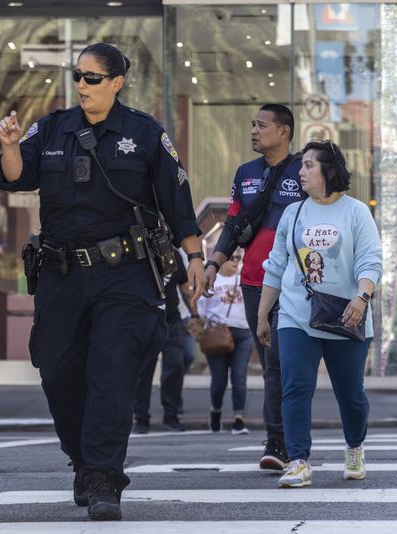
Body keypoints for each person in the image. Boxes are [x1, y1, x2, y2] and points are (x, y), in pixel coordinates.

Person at [0, 43, 205, 521]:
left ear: (116, 82)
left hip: (124, 275)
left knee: (110, 375)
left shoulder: (144, 133)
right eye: (78, 76)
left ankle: (106, 478)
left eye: (92, 78)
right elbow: (16, 176)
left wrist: (194, 257)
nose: (82, 86)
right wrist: (8, 146)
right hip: (61, 273)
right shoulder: (50, 128)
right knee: (58, 373)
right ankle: (85, 463)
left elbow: (177, 201)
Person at [257, 141, 381, 488]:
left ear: (329, 170)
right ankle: (298, 460)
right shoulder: (293, 213)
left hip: (347, 315)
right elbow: (276, 265)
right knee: (295, 387)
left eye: (309, 165)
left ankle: (354, 446)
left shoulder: (355, 212)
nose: (301, 172)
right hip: (297, 314)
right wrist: (264, 314)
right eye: (302, 166)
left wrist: (361, 297)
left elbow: (371, 259)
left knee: (351, 395)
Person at [203, 104, 302, 470]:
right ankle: (280, 442)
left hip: (294, 286)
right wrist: (214, 263)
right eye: (252, 125)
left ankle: (286, 440)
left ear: (284, 131)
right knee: (271, 365)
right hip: (253, 284)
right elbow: (231, 225)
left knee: (284, 364)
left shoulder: (303, 169)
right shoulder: (245, 173)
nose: (254, 130)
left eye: (262, 125)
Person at [134, 250, 193, 433]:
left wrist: (195, 314)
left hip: (173, 320)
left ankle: (171, 415)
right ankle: (141, 419)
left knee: (175, 365)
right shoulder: (140, 253)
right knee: (144, 372)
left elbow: (184, 287)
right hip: (146, 320)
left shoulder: (173, 254)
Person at [197, 253, 253, 434]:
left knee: (239, 377)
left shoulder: (244, 280)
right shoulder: (212, 281)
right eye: (232, 258)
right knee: (219, 380)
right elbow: (200, 310)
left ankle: (238, 419)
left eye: (238, 259)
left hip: (243, 332)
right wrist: (204, 329)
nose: (235, 262)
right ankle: (216, 411)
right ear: (220, 262)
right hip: (218, 334)